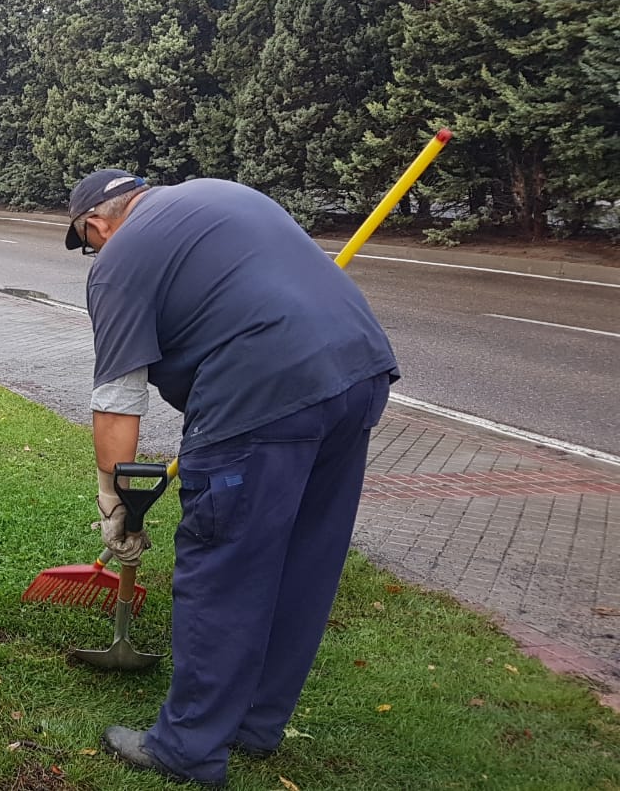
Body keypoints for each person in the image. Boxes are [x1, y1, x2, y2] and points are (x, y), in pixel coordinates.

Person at [65, 168, 398, 787]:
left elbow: (117, 398)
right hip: (358, 375)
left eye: (90, 244)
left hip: (260, 393)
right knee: (304, 559)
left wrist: (115, 498)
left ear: (96, 225)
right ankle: (255, 722)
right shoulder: (222, 193)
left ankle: (188, 746)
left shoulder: (118, 261)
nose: (95, 253)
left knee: (224, 567)